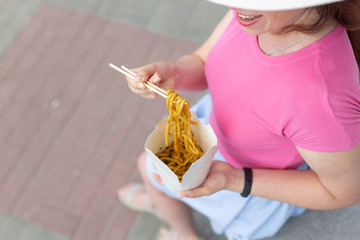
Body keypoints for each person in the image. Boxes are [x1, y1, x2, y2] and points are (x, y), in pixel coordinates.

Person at [118, 0, 360, 239]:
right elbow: (203, 62)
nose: (236, 6)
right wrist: (174, 72)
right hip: (215, 130)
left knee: (151, 172)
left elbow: (344, 191)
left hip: (250, 180)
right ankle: (171, 214)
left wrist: (233, 179)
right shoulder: (252, 13)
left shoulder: (321, 98)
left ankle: (183, 233)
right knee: (152, 170)